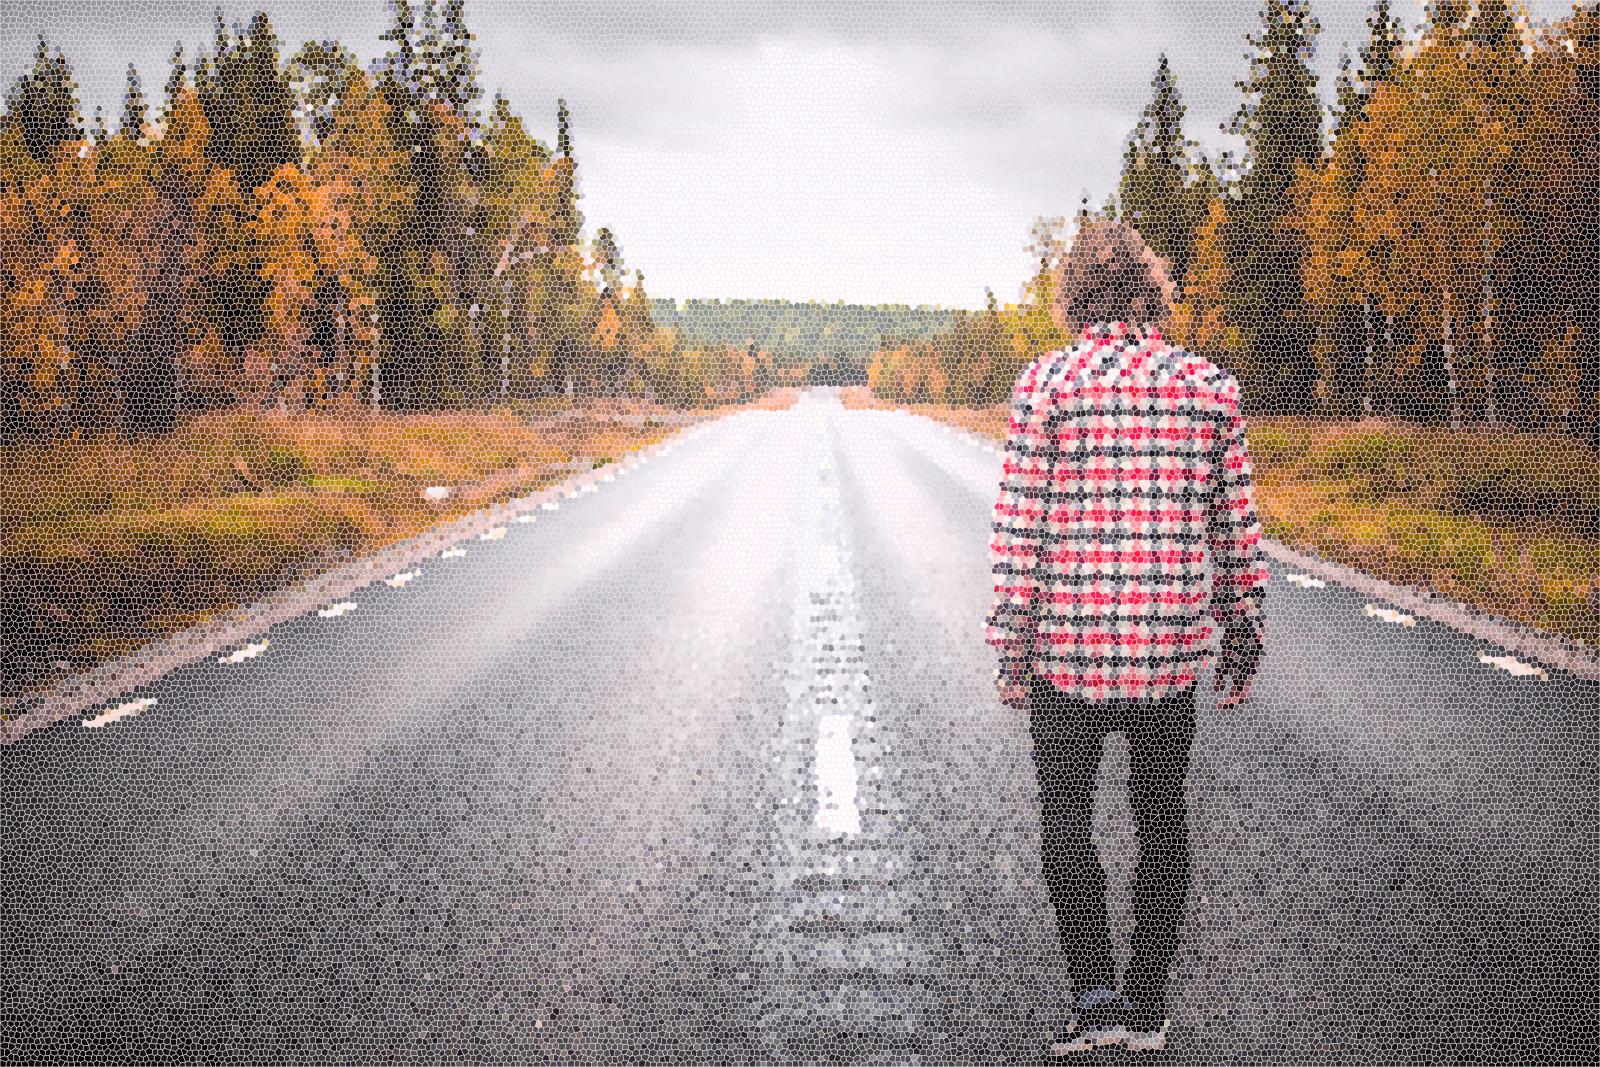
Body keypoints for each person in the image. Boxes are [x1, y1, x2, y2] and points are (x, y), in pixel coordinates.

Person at [984, 220, 1269, 1055]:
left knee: (1066, 823)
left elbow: (1017, 533)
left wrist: (1011, 644)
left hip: (1067, 654)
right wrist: (1242, 626)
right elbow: (1236, 526)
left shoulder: (1046, 385)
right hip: (1166, 651)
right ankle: (1148, 1002)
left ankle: (1095, 998)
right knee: (1161, 819)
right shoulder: (1210, 388)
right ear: (1153, 291)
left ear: (1074, 295)